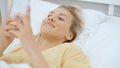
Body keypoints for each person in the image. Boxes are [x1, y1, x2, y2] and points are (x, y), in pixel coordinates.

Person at [0, 5, 90, 68]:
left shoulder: (72, 51)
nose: (50, 18)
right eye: (49, 15)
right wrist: (2, 43)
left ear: (70, 35)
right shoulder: (20, 47)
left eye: (61, 18)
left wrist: (31, 47)